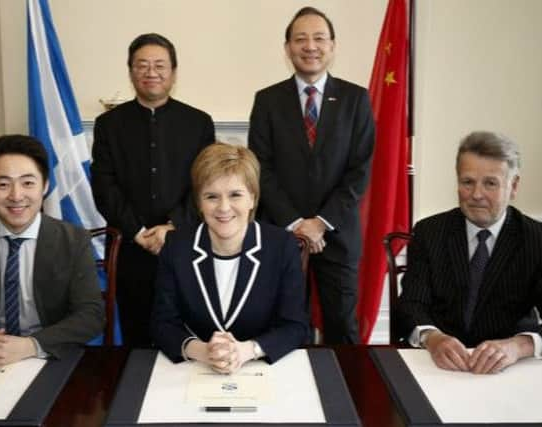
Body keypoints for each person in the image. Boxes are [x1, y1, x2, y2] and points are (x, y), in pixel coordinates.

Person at [248, 7, 375, 344]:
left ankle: (344, 394)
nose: (310, 46)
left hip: (338, 234)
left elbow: (359, 170)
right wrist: (296, 223)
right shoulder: (267, 101)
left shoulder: (355, 99)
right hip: (282, 235)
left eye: (319, 38)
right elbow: (261, 169)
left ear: (332, 46)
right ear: (287, 48)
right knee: (284, 326)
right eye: (300, 39)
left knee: (342, 330)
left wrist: (320, 222)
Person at [91, 33, 215, 346]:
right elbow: (105, 187)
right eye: (142, 65)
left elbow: (206, 185)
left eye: (160, 65)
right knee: (137, 338)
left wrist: (173, 226)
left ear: (173, 71)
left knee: (189, 334)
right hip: (132, 248)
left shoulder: (199, 123)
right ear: (131, 71)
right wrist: (139, 231)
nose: (151, 72)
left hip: (186, 245)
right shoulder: (109, 124)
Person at [0, 135, 104, 367]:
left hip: (49, 356)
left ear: (45, 185)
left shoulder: (73, 240)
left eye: (28, 183)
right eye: (3, 184)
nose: (16, 196)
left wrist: (30, 345)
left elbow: (91, 315)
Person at [151, 143, 309, 372]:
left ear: (252, 198)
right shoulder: (177, 246)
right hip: (195, 368)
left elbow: (296, 325)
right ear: (199, 203)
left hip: (261, 367)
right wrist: (203, 351)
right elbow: (162, 323)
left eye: (235, 195)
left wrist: (247, 350)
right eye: (212, 196)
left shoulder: (281, 246)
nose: (224, 208)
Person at [397, 131, 542, 374]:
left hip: (509, 370)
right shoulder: (429, 232)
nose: (476, 194)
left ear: (513, 186)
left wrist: (518, 347)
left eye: (490, 183)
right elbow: (411, 304)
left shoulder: (536, 239)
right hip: (439, 367)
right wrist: (432, 338)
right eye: (467, 182)